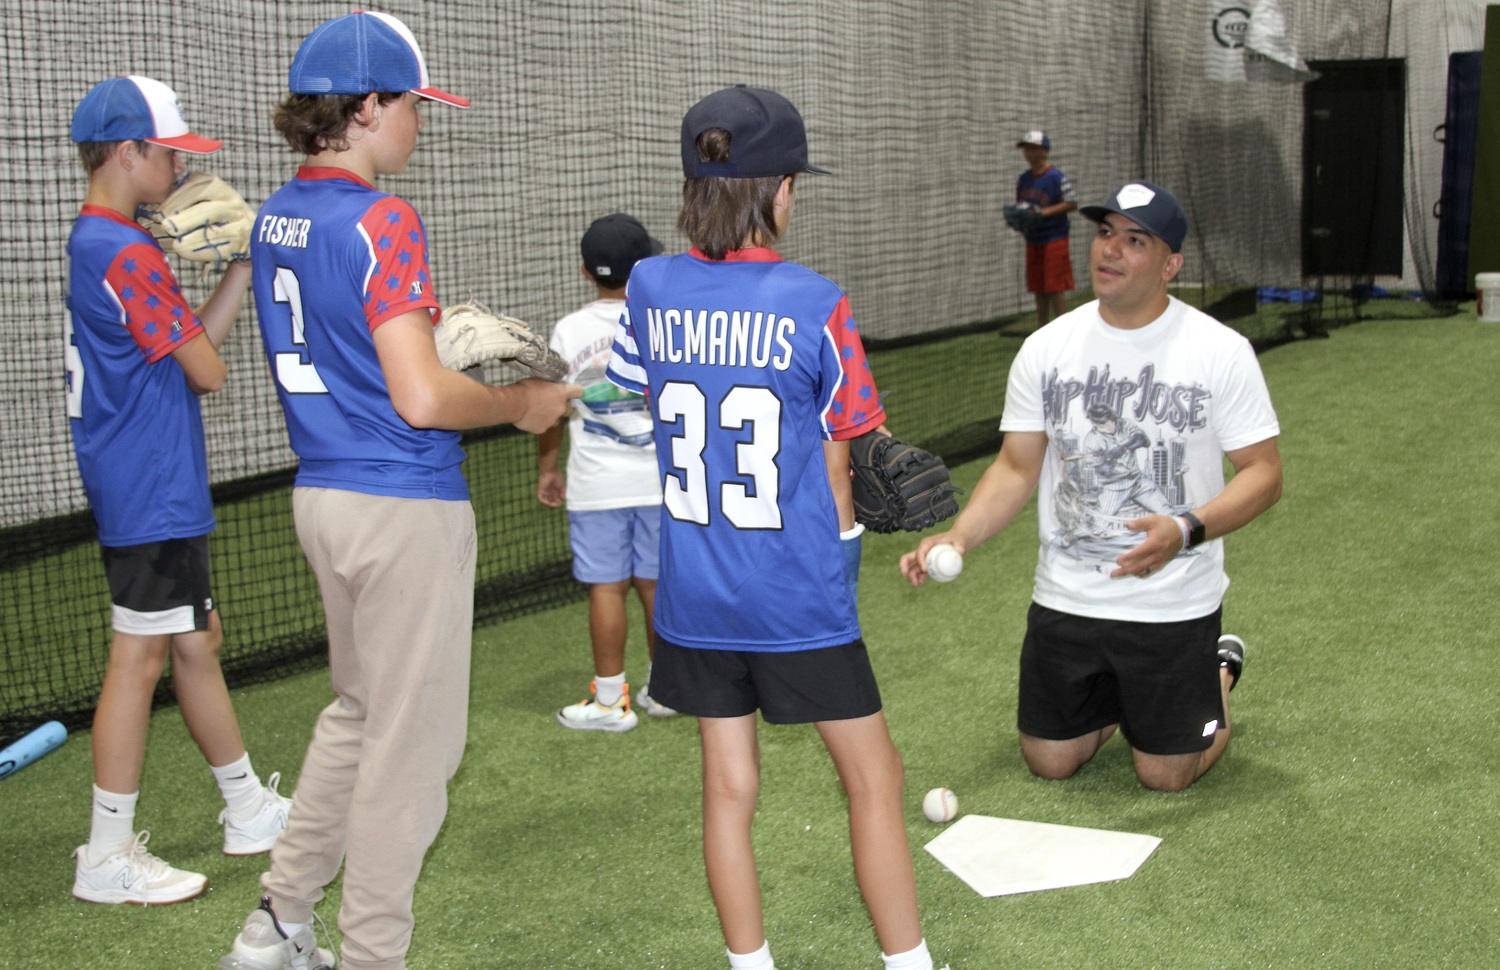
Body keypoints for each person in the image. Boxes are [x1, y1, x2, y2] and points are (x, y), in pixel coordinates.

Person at [217, 12, 579, 970]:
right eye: (413, 104)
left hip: (324, 496)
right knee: (411, 752)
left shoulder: (278, 213)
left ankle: (279, 923)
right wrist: (523, 403)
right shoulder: (383, 217)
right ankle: (372, 956)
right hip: (401, 503)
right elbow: (421, 398)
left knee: (358, 713)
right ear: (369, 106)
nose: (420, 121)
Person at [608, 85, 938, 970]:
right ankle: (909, 963)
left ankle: (749, 965)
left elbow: (643, 390)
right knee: (874, 779)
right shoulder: (814, 300)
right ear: (779, 190)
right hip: (794, 592)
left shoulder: (647, 285)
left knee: (728, 787)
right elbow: (846, 454)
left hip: (692, 594)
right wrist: (848, 544)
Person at [903, 181, 1281, 793]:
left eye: (1136, 240)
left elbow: (1264, 474)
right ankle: (1124, 701)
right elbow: (1016, 467)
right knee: (1049, 761)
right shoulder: (1047, 348)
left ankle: (1217, 672)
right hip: (1068, 598)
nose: (1110, 250)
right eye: (1106, 233)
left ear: (1171, 264)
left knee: (1165, 776)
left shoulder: (1220, 351)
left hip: (1173, 603)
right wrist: (962, 535)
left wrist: (1186, 530)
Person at [66, 74, 290, 906]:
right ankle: (107, 854)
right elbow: (209, 368)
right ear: (128, 153)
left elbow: (191, 359)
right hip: (149, 484)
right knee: (140, 657)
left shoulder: (105, 241)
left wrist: (238, 263)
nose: (180, 174)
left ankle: (246, 808)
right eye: (169, 156)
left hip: (145, 478)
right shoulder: (126, 252)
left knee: (196, 638)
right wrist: (207, 269)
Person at [538, 213, 675, 731]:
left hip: (597, 486)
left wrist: (548, 467)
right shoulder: (660, 320)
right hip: (661, 485)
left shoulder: (569, 330)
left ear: (583, 270)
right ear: (642, 268)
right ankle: (666, 690)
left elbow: (551, 408)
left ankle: (610, 701)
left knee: (606, 588)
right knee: (657, 586)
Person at [1013, 129, 1078, 326]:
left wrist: (1044, 213)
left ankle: (1063, 329)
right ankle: (1042, 331)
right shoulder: (1024, 179)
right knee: (1038, 287)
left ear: (1045, 151)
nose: (1029, 154)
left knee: (1055, 287)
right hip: (1033, 239)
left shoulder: (1056, 177)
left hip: (1054, 237)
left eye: (1033, 149)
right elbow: (1022, 206)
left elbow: (1072, 202)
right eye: (1026, 149)